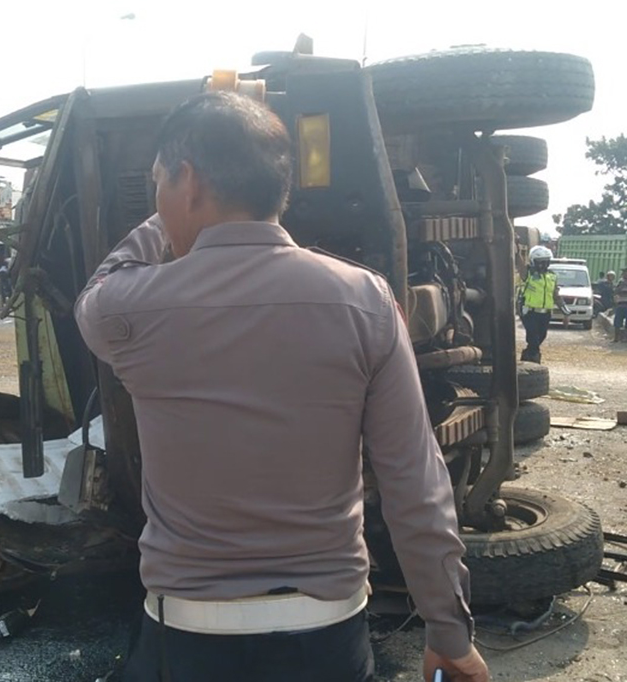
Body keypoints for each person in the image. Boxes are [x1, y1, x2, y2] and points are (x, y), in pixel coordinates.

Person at [74, 92, 488, 682]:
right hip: (327, 634)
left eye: (161, 181)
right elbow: (415, 483)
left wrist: (162, 217)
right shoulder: (365, 300)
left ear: (186, 182)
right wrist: (448, 629)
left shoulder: (130, 309)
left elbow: (103, 282)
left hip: (188, 634)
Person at [518, 245, 569, 363]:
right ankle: (535, 360)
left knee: (542, 336)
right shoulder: (528, 274)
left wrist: (566, 313)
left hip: (545, 314)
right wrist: (517, 251)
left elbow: (556, 296)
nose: (543, 266)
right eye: (540, 263)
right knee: (533, 338)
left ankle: (527, 356)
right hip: (530, 312)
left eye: (546, 263)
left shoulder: (552, 276)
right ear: (533, 262)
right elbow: (520, 265)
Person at [614, 267, 627, 342]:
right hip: (620, 304)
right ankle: (616, 338)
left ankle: (625, 338)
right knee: (617, 322)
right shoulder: (620, 282)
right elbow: (616, 291)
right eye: (624, 273)